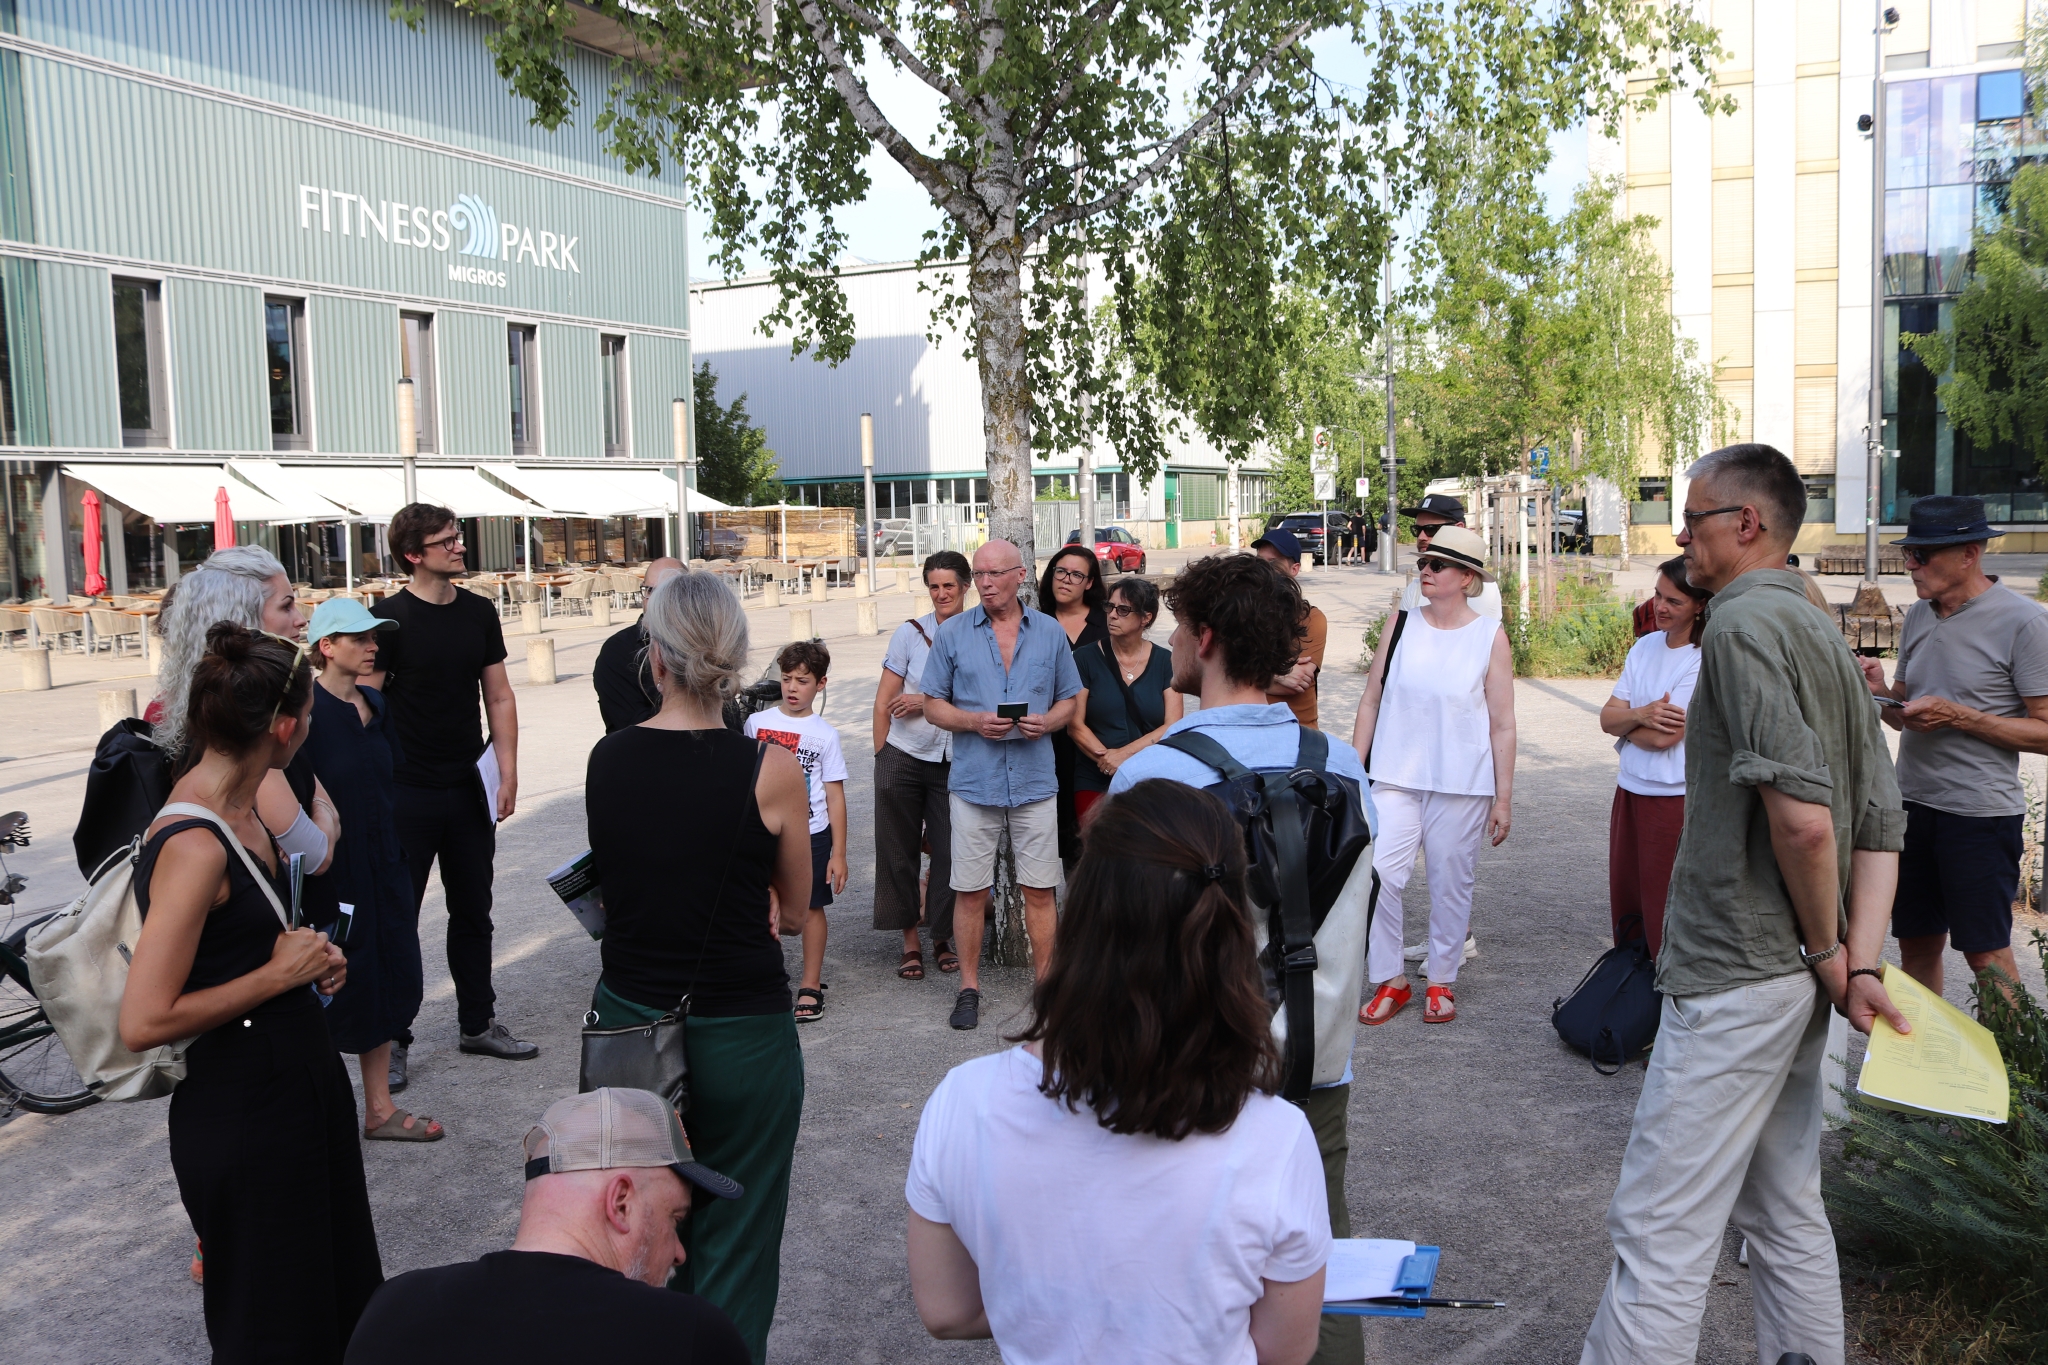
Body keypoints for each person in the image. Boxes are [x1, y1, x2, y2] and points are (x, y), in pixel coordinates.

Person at [1580, 443, 1909, 1365]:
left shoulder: (1739, 627)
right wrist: (1859, 962)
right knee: (1782, 1203)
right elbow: (1881, 821)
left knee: (1659, 1228)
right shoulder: (1825, 635)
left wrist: (1823, 952)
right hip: (1797, 973)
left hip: (1740, 972)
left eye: (1694, 519)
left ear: (1747, 524)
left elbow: (1806, 824)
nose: (1682, 535)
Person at [906, 780, 1329, 1365]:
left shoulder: (964, 1101)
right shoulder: (1277, 1138)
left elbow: (947, 1311)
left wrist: (1059, 1306)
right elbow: (1284, 1350)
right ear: (1232, 926)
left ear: (1084, 909)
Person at [1109, 551, 1372, 1365]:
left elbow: (1126, 948)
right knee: (1315, 1267)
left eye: (1180, 626)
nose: (1173, 640)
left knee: (1187, 1277)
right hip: (1315, 1066)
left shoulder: (1157, 774)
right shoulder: (1342, 765)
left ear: (1207, 637)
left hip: (1193, 1071)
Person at [119, 624, 380, 1361]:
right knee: (272, 1326)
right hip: (244, 1110)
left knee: (337, 1301)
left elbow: (241, 946)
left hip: (295, 1087)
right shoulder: (195, 841)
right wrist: (276, 976)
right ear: (287, 727)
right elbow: (143, 1020)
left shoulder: (245, 810)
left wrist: (310, 959)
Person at [582, 571, 812, 1363]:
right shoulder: (771, 768)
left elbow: (617, 881)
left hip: (631, 1018)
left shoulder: (607, 760)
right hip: (743, 1025)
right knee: (739, 1236)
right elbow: (796, 894)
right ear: (738, 659)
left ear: (656, 661)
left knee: (634, 1226)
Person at [344, 1088, 749, 1365]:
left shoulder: (394, 1309)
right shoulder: (687, 1335)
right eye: (674, 1219)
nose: (680, 1251)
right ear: (620, 1202)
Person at [368, 502, 536, 1079]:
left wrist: (506, 768)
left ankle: (478, 1023)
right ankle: (392, 1036)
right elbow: (364, 705)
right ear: (414, 555)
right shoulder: (386, 621)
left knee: (475, 911)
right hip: (405, 791)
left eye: (458, 537)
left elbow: (501, 695)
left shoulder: (479, 613)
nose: (460, 547)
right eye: (447, 541)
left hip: (468, 786)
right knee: (399, 914)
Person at [1859, 494, 2048, 1007]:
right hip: (1913, 807)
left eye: (1923, 554)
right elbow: (1909, 711)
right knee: (1916, 944)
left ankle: (2014, 1076)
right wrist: (1880, 690)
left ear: (1970, 553)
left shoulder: (2024, 622)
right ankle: (1929, 1074)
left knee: (1986, 956)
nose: (1911, 565)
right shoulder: (1919, 614)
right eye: (1909, 554)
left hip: (1979, 817)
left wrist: (1961, 717)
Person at [1351, 526, 1515, 1026]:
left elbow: (1503, 723)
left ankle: (1441, 978)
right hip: (1395, 774)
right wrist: (1355, 773)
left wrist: (1503, 799)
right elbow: (1372, 700)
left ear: (1467, 578)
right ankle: (1390, 979)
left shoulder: (1489, 636)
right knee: (1378, 876)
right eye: (1425, 561)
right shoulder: (1400, 624)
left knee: (1451, 882)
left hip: (1463, 782)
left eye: (1438, 565)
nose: (1426, 570)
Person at [922, 539, 1083, 1031]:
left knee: (1040, 890)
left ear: (1020, 576)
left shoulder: (1051, 632)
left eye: (995, 574)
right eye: (981, 574)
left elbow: (1070, 699)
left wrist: (1049, 723)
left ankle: (1046, 989)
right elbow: (931, 704)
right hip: (975, 783)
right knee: (970, 891)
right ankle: (968, 988)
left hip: (1035, 782)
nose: (986, 583)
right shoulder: (952, 634)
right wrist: (972, 722)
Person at [305, 597, 437, 1142]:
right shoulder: (302, 715)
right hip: (333, 873)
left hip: (386, 864)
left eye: (374, 637)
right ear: (326, 647)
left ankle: (378, 1109)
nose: (372, 646)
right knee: (330, 987)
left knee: (388, 975)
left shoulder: (375, 707)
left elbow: (389, 782)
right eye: (359, 638)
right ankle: (313, 1115)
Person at [1597, 558, 1711, 958]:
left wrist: (1626, 721)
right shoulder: (1645, 646)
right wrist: (1639, 715)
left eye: (1674, 601)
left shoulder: (1701, 658)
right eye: (1658, 595)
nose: (1660, 606)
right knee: (1627, 904)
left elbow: (1667, 738)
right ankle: (1631, 994)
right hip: (1630, 788)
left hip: (1672, 796)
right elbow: (1606, 718)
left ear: (1699, 605)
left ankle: (1666, 1002)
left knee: (1663, 907)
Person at [873, 551, 970, 980]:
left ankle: (942, 936)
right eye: (934, 585)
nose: (941, 593)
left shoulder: (979, 634)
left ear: (966, 586)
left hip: (956, 760)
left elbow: (986, 699)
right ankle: (910, 939)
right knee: (899, 849)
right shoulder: (910, 634)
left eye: (949, 585)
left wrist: (924, 701)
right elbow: (882, 703)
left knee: (951, 851)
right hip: (905, 755)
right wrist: (881, 759)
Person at [743, 640, 848, 1023]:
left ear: (820, 684)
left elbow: (835, 796)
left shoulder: (825, 735)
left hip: (812, 833)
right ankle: (759, 977)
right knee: (754, 901)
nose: (791, 688)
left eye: (802, 681)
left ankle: (810, 983)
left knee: (810, 907)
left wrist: (839, 852)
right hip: (762, 829)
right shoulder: (757, 724)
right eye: (786, 678)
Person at [1066, 575, 1182, 826]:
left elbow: (1172, 726)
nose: (1112, 615)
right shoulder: (1084, 658)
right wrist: (1107, 760)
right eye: (1110, 607)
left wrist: (1124, 757)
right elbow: (1075, 725)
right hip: (1095, 777)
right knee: (1098, 854)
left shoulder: (1165, 661)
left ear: (1146, 617)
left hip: (1150, 777)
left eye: (1123, 610)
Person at [1038, 543, 1109, 872]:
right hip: (1048, 742)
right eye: (1060, 571)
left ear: (1090, 582)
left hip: (1099, 739)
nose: (1066, 579)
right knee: (1057, 839)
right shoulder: (1035, 622)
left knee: (1102, 835)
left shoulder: (1107, 623)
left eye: (1076, 574)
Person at [592, 557, 687, 732]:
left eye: (665, 592)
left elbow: (727, 716)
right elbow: (632, 724)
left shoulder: (702, 642)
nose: (654, 601)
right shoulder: (618, 651)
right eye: (649, 590)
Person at [1252, 530, 1328, 728]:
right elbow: (1221, 674)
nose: (1264, 570)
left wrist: (1247, 675)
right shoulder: (1244, 614)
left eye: (1273, 563)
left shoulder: (1312, 618)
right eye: (1260, 562)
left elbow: (1297, 682)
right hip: (1253, 729)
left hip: (1300, 733)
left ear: (1294, 569)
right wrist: (1277, 675)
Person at [1393, 493, 1503, 620]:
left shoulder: (1482, 590)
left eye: (1431, 529)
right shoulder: (1414, 590)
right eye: (1417, 530)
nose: (1421, 537)